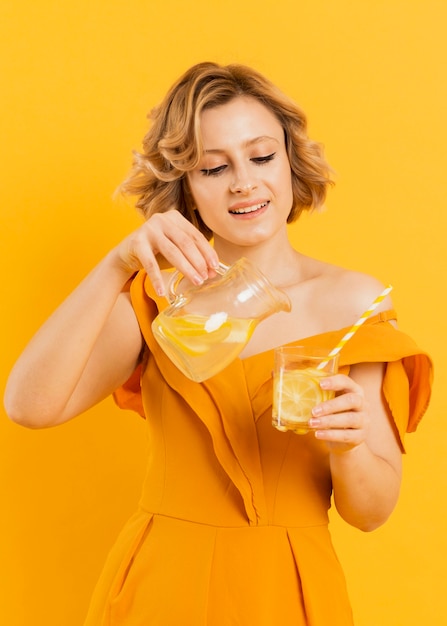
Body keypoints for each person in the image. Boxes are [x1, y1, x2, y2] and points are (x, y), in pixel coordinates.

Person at [4, 62, 433, 625]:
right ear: (185, 186)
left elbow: (372, 513)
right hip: (160, 586)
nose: (244, 183)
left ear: (290, 163)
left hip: (289, 588)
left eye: (261, 156)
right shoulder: (156, 296)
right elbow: (28, 406)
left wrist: (350, 445)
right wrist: (116, 265)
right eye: (213, 167)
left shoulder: (355, 304)